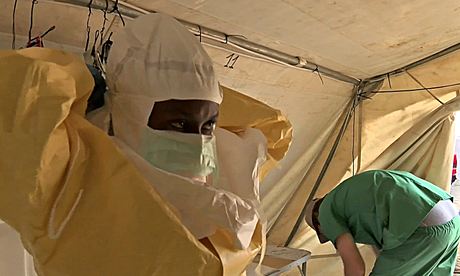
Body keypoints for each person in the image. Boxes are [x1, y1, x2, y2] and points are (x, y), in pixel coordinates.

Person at [305, 170, 460, 276]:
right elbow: (382, 248)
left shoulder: (325, 213)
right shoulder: (347, 196)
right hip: (451, 219)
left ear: (318, 224)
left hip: (421, 228)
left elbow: (356, 268)